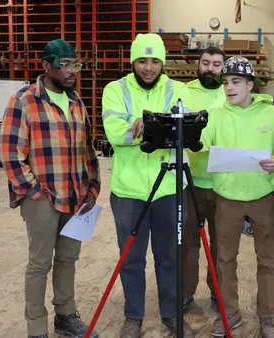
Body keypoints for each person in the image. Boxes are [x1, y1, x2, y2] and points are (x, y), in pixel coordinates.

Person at [0, 38, 101, 338]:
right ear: (46, 66)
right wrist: (33, 192)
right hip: (42, 197)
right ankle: (37, 328)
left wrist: (92, 187)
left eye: (75, 65)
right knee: (40, 264)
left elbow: (88, 149)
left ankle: (65, 315)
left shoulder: (76, 102)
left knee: (68, 258)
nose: (72, 71)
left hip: (77, 196)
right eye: (64, 64)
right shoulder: (24, 101)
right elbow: (9, 151)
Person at [101, 33, 194, 338]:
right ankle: (133, 316)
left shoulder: (178, 89)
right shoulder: (115, 90)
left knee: (169, 256)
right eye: (143, 60)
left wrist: (146, 127)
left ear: (163, 63)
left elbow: (184, 132)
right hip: (128, 191)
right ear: (133, 61)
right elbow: (115, 134)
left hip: (169, 187)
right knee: (131, 257)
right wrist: (158, 130)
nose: (149, 67)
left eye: (155, 61)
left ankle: (170, 314)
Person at [200, 56, 274, 338]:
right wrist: (186, 131)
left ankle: (267, 316)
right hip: (226, 197)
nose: (229, 87)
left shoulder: (272, 115)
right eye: (225, 82)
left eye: (236, 81)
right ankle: (230, 314)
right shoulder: (215, 115)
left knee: (268, 260)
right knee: (225, 259)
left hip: (262, 196)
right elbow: (200, 144)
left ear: (250, 84)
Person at [182, 46, 227, 311]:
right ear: (198, 65)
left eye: (217, 64)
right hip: (191, 181)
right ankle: (186, 292)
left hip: (223, 184)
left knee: (221, 246)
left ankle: (217, 293)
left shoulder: (231, 92)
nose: (210, 68)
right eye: (206, 63)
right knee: (188, 244)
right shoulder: (184, 91)